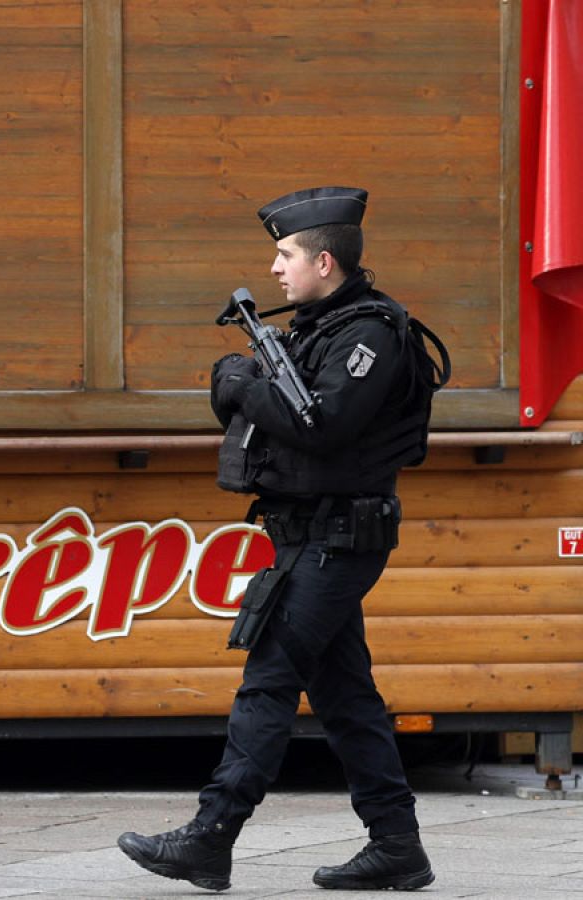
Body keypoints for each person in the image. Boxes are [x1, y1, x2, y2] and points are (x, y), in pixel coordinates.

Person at [118, 187, 445, 892]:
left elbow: (321, 424)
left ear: (323, 260)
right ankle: (398, 845)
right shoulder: (314, 327)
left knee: (267, 681)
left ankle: (211, 835)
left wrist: (239, 385)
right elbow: (271, 413)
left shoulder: (370, 333)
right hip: (306, 533)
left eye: (286, 255)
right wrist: (237, 383)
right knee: (346, 697)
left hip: (340, 537)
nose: (275, 270)